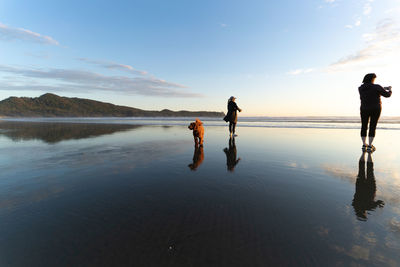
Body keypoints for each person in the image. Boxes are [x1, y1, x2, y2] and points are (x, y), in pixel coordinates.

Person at [358, 73, 392, 152]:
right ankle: (370, 146)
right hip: (375, 109)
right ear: (372, 79)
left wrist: (382, 88)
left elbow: (370, 89)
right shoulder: (376, 87)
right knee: (372, 126)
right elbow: (387, 95)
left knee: (364, 126)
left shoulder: (360, 88)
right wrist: (390, 89)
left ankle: (364, 145)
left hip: (364, 108)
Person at [352, 151, 384, 221]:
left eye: (365, 214)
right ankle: (364, 153)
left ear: (364, 213)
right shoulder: (354, 205)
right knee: (361, 170)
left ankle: (369, 153)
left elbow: (380, 201)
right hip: (360, 187)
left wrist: (381, 205)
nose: (366, 214)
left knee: (370, 170)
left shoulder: (369, 207)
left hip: (370, 188)